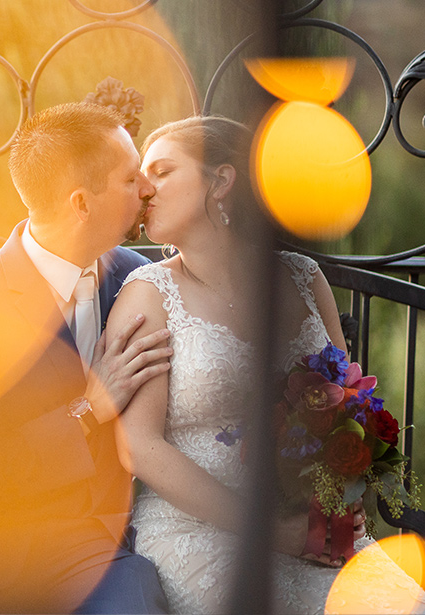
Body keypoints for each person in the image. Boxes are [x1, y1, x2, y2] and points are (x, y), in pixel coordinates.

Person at [110, 115, 425, 614]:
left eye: (164, 171)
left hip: (305, 525)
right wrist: (270, 530)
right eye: (142, 176)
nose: (145, 189)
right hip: (196, 530)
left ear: (222, 180)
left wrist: (340, 499)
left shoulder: (303, 277)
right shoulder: (149, 295)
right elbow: (140, 447)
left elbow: (348, 404)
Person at [0, 102, 173, 614]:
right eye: (131, 178)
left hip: (93, 555)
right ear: (81, 203)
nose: (147, 189)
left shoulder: (141, 284)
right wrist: (87, 412)